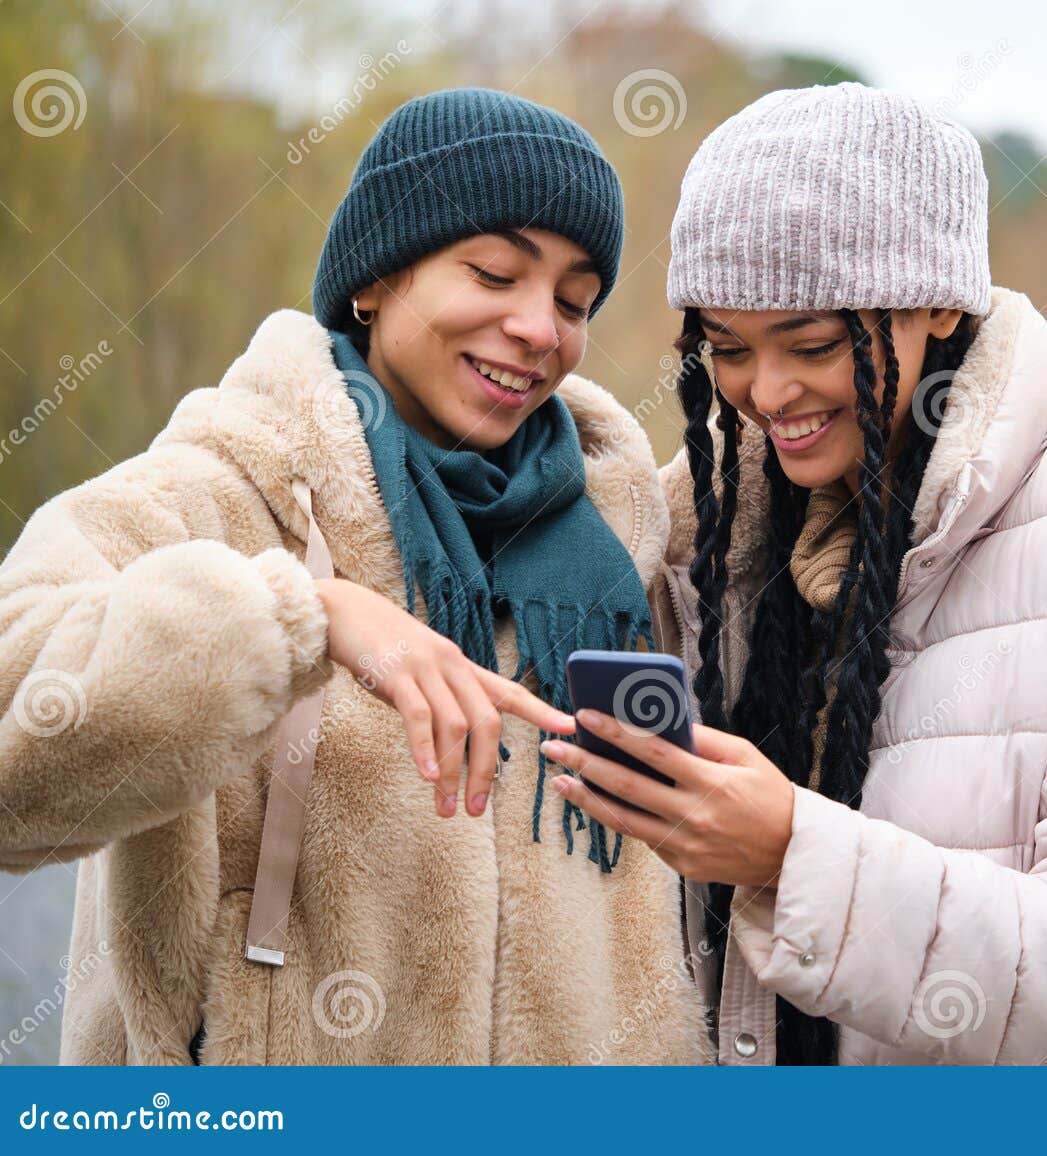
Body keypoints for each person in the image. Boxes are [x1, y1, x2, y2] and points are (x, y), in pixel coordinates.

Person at [542, 82, 1047, 1065]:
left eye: (811, 344)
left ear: (941, 301)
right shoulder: (708, 537)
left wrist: (785, 852)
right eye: (726, 348)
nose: (766, 393)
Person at [0, 88, 708, 1065]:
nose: (540, 326)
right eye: (496, 272)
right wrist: (301, 616)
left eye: (574, 300)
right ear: (375, 279)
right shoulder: (209, 492)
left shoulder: (626, 540)